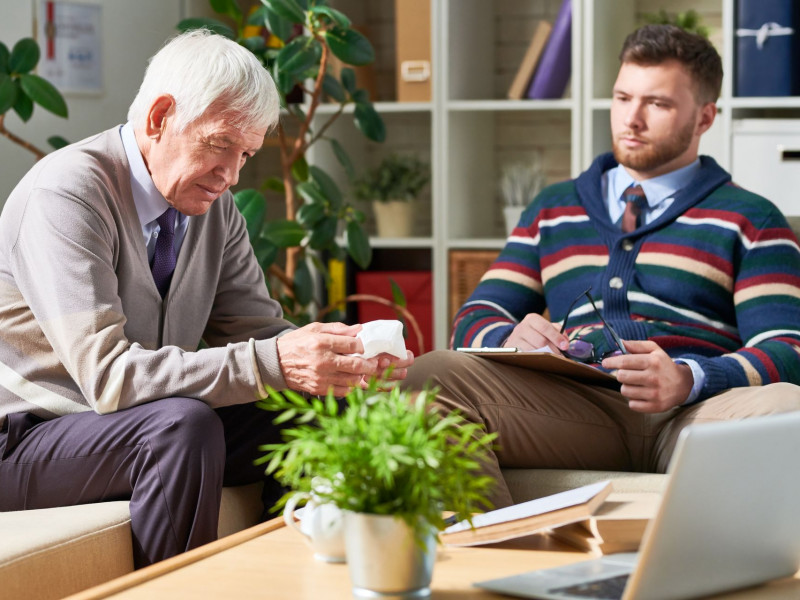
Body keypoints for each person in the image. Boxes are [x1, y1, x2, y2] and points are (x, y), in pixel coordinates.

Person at [0, 29, 412, 567]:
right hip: (28, 437)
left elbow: (260, 333)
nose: (232, 175)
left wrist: (339, 359)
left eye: (246, 154)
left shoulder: (211, 205)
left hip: (125, 425)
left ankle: (304, 578)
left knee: (313, 404)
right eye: (221, 145)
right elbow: (109, 378)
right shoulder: (68, 193)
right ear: (160, 117)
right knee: (181, 426)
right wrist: (278, 362)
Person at [403, 24, 800, 509]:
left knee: (789, 408)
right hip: (576, 408)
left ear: (705, 117)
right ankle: (495, 563)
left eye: (657, 104)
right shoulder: (554, 208)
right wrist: (508, 337)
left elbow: (788, 348)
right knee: (430, 376)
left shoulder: (752, 218)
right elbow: (475, 315)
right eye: (622, 97)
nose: (631, 118)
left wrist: (687, 378)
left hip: (697, 413)